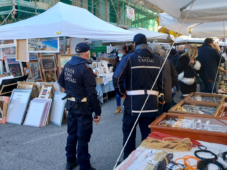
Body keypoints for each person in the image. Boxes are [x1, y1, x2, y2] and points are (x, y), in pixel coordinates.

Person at [113, 33, 165, 159]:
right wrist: (161, 97)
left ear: (134, 44)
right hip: (151, 105)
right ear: (146, 44)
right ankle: (146, 161)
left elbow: (117, 77)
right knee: (148, 136)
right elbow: (162, 82)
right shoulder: (158, 59)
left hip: (132, 105)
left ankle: (128, 161)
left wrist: (121, 93)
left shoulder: (129, 58)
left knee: (129, 135)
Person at [58, 43, 101, 170]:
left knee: (72, 134)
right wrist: (97, 112)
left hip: (71, 105)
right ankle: (84, 166)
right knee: (82, 137)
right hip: (83, 107)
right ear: (87, 53)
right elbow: (92, 93)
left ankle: (70, 161)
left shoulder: (68, 65)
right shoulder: (85, 68)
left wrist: (71, 91)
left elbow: (60, 81)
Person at [113, 49, 126, 114]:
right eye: (118, 53)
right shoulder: (116, 60)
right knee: (118, 93)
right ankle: (118, 107)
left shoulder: (126, 59)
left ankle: (126, 106)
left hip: (125, 78)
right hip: (119, 79)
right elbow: (114, 69)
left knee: (126, 92)